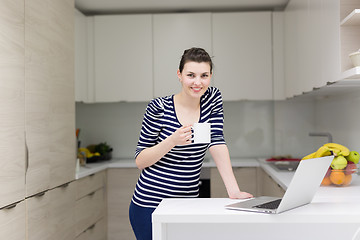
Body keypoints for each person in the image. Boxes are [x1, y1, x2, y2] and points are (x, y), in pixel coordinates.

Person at [129, 47, 253, 240]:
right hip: (150, 204)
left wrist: (234, 190)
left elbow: (217, 141)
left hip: (188, 203)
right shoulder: (158, 108)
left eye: (204, 75)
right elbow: (140, 160)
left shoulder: (212, 99)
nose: (198, 82)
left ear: (211, 76)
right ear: (179, 75)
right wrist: (171, 141)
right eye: (191, 75)